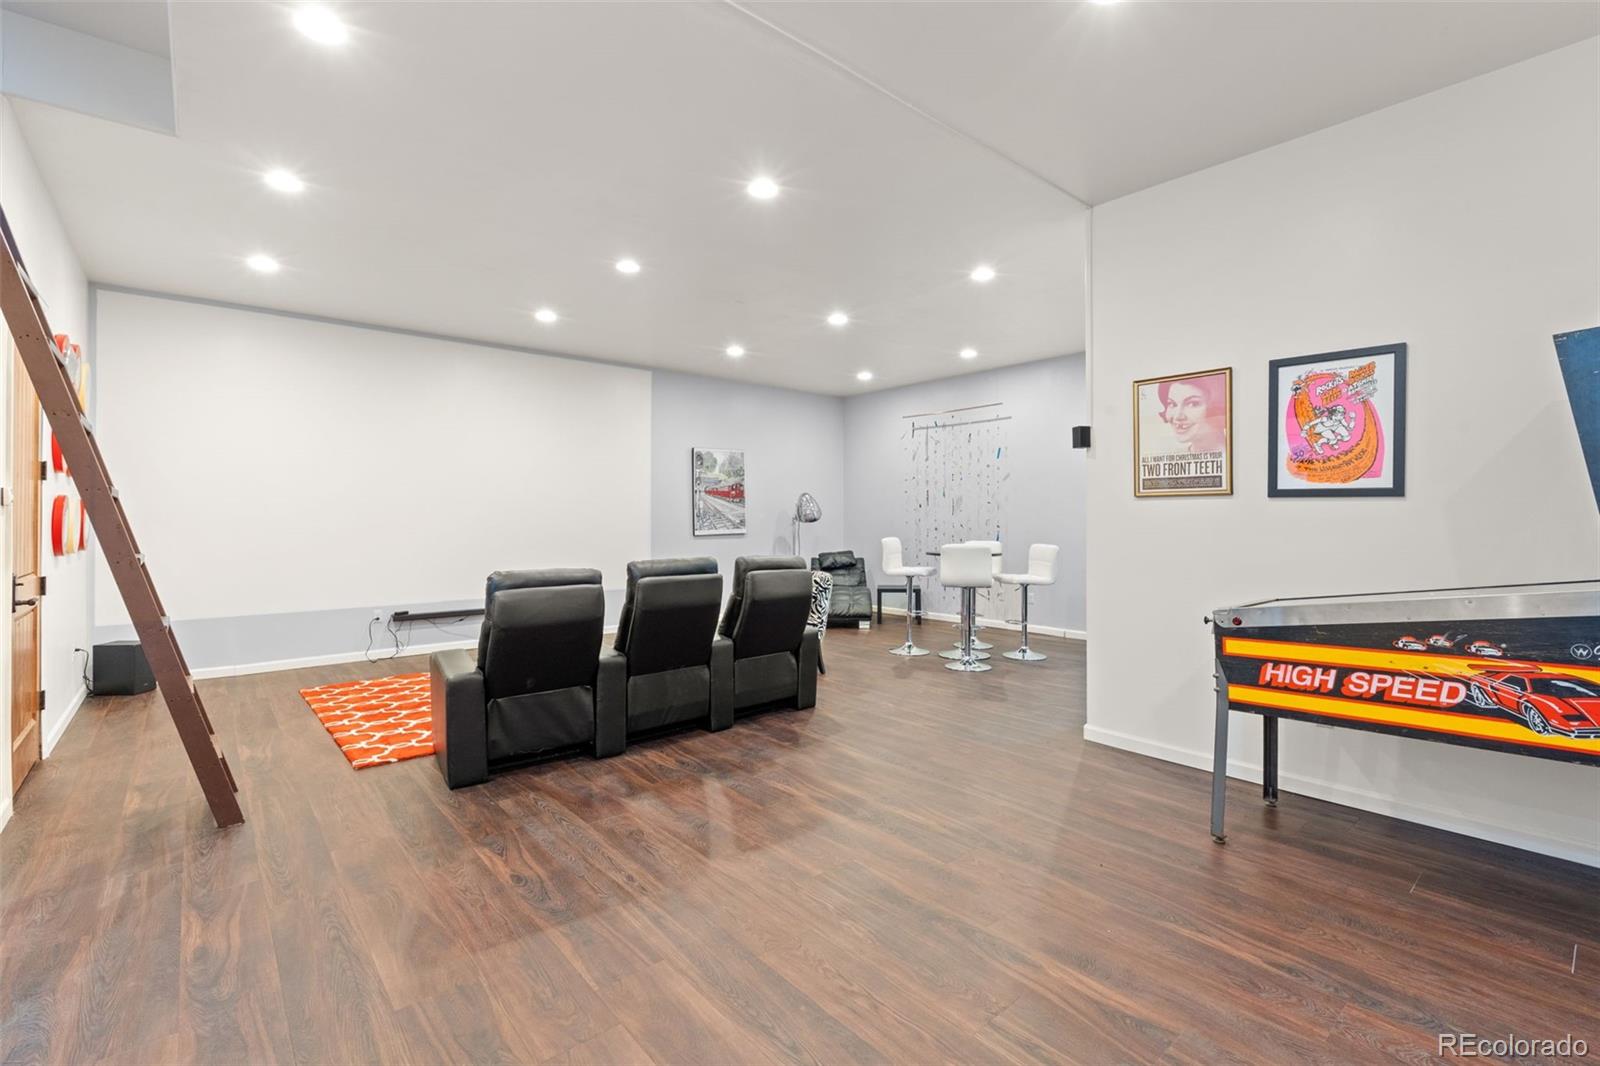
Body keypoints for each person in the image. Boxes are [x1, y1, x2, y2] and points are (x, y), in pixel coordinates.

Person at [1159, 375, 1228, 454]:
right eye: (1172, 404)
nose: (1178, 416)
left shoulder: (1239, 453)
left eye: (1193, 404)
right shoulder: (1171, 459)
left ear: (1217, 409)